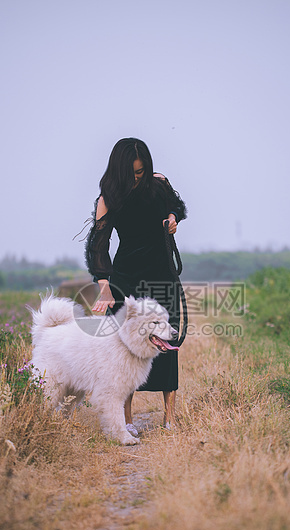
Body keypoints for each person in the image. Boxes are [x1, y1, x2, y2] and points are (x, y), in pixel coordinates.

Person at [85, 137, 187, 435]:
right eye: (132, 173)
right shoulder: (108, 199)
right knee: (121, 349)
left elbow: (177, 206)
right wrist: (104, 283)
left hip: (160, 272)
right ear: (119, 170)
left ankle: (169, 416)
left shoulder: (158, 186)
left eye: (141, 172)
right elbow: (98, 247)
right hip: (126, 278)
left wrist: (172, 218)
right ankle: (126, 419)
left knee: (167, 342)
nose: (137, 178)